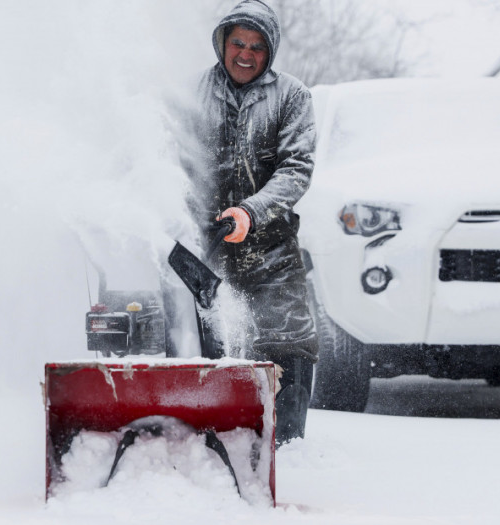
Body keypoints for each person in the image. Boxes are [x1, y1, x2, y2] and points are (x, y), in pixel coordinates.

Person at [185, 0, 318, 445]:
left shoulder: (293, 96)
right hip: (206, 250)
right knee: (206, 343)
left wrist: (250, 212)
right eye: (238, 42)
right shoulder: (191, 93)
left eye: (257, 46)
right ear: (222, 42)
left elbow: (296, 169)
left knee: (289, 341)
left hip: (271, 247)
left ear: (271, 50)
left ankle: (287, 445)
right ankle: (207, 437)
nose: (246, 53)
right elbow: (171, 158)